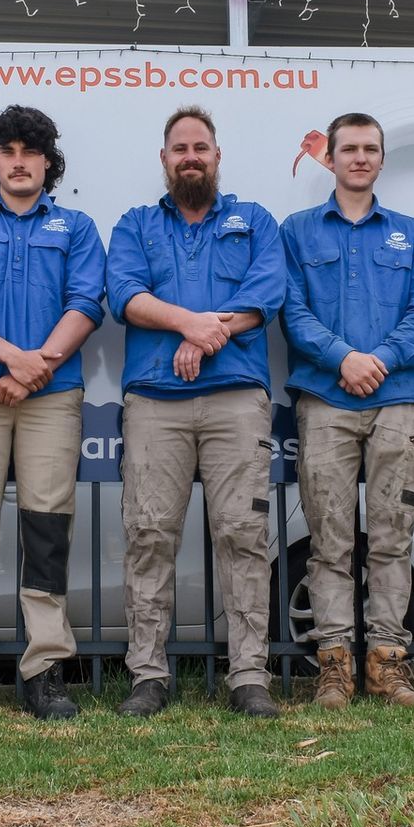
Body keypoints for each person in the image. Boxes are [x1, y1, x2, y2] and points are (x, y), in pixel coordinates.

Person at [105, 105, 287, 718]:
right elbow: (126, 295)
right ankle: (148, 676)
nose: (190, 157)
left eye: (200, 148)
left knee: (242, 535)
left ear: (217, 156)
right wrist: (190, 323)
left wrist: (201, 336)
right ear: (163, 160)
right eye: (179, 148)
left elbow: (266, 294)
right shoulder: (135, 225)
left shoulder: (254, 220)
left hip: (237, 397)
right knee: (149, 537)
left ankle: (248, 677)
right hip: (156, 400)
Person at [0, 106, 104, 722]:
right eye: (7, 151)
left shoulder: (77, 227)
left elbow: (86, 301)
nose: (19, 161)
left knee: (47, 529)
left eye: (31, 151)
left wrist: (39, 366)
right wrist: (13, 360)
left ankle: (46, 667)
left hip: (52, 395)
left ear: (48, 162)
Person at [279, 112, 414, 709]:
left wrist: (380, 359)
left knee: (394, 538)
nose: (361, 158)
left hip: (395, 399)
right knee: (330, 540)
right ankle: (335, 667)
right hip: (325, 400)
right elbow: (291, 313)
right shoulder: (297, 231)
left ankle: (389, 663)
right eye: (350, 149)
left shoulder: (409, 234)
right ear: (331, 158)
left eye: (372, 149)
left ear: (381, 160)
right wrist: (344, 358)